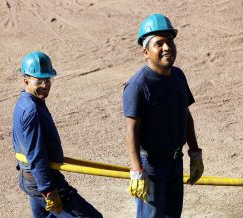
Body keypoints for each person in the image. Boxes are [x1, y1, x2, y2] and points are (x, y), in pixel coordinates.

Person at [123, 14, 204, 218]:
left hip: (176, 162)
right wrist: (136, 172)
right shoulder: (138, 86)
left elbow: (186, 116)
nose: (167, 47)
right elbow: (131, 131)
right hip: (151, 168)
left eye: (169, 41)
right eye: (159, 43)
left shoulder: (178, 76)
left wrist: (195, 154)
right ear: (146, 52)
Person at [12, 51, 103, 218]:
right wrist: (48, 190)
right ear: (25, 80)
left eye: (47, 80)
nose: (45, 85)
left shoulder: (25, 103)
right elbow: (36, 155)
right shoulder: (32, 111)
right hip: (42, 179)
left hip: (32, 176)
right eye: (38, 81)